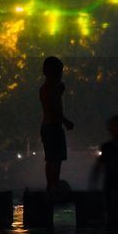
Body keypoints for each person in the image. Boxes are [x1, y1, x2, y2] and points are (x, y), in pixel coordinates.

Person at [39, 56, 75, 191]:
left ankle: (51, 184)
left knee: (50, 159)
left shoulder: (44, 88)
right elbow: (53, 109)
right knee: (56, 159)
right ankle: (54, 184)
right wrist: (66, 122)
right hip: (53, 127)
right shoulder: (51, 89)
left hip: (47, 126)